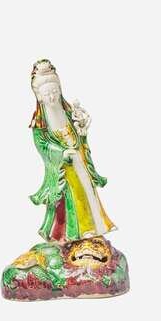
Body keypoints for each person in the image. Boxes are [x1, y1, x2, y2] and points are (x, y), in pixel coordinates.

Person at [29, 59, 116, 243]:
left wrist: (82, 131)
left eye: (55, 92)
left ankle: (95, 226)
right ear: (39, 97)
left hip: (79, 159)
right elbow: (42, 145)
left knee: (88, 192)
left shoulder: (68, 111)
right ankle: (73, 233)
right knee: (72, 198)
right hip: (63, 168)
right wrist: (61, 153)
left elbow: (78, 133)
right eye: (47, 94)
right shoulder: (40, 122)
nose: (52, 97)